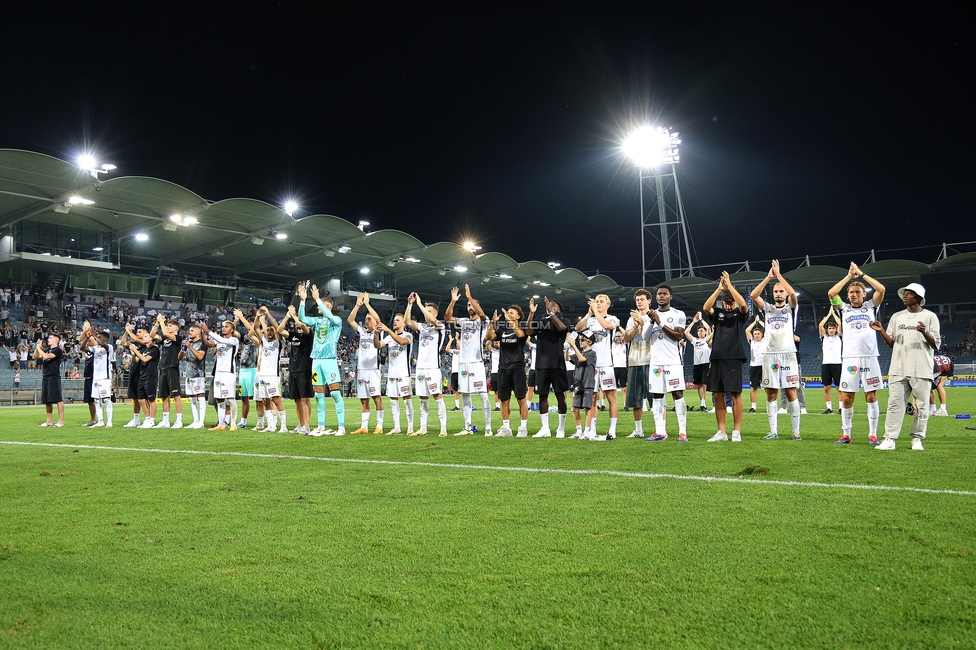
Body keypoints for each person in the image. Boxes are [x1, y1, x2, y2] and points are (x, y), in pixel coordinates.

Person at [872, 283, 941, 451]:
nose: (905, 295)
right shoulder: (896, 317)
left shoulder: (930, 316)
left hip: (921, 368)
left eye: (909, 293)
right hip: (898, 368)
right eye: (905, 293)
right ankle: (889, 439)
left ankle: (917, 439)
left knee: (923, 406)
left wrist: (924, 332)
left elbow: (936, 344)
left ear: (918, 297)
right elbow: (892, 343)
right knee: (894, 405)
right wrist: (881, 331)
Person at [826, 262, 886, 444]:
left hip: (869, 357)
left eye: (857, 292)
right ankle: (846, 434)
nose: (854, 294)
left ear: (864, 294)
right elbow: (831, 294)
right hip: (850, 358)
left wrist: (861, 275)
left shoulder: (871, 306)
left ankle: (873, 434)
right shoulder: (843, 308)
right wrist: (849, 278)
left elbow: (881, 289)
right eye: (851, 292)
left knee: (871, 395)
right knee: (847, 396)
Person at [750, 260, 802, 440]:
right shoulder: (768, 309)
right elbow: (753, 296)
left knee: (790, 392)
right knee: (771, 393)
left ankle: (796, 431)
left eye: (781, 291)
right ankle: (773, 431)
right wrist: (768, 277)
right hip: (769, 355)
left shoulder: (791, 308)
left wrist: (779, 275)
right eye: (776, 291)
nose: (779, 294)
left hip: (788, 354)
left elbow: (793, 295)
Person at [704, 272, 749, 442]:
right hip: (717, 357)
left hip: (734, 358)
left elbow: (744, 305)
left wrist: (730, 286)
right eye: (726, 303)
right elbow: (705, 307)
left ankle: (736, 431)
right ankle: (722, 432)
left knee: (736, 394)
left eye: (731, 303)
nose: (729, 306)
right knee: (717, 395)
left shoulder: (740, 314)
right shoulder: (717, 313)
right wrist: (719, 289)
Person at [297, 282, 346, 436]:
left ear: (328, 306)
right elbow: (302, 318)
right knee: (318, 395)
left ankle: (342, 427)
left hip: (329, 360)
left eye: (321, 305)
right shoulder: (318, 321)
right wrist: (303, 300)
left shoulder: (336, 321)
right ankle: (320, 426)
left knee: (335, 394)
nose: (318, 308)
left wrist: (318, 299)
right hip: (316, 361)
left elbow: (331, 317)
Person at [444, 285, 492, 435]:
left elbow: (482, 315)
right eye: (468, 305)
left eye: (472, 305)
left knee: (483, 395)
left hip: (476, 362)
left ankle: (488, 428)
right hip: (463, 364)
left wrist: (470, 297)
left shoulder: (483, 321)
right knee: (465, 395)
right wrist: (453, 301)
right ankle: (467, 427)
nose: (470, 306)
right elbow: (447, 318)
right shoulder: (463, 321)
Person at [644, 285, 689, 442]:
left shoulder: (678, 314)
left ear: (670, 297)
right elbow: (644, 337)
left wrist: (660, 323)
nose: (661, 296)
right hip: (656, 363)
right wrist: (651, 322)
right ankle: (660, 432)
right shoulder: (650, 316)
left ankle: (682, 432)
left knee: (677, 395)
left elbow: (678, 335)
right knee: (657, 396)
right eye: (659, 294)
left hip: (672, 362)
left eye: (665, 294)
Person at [574, 294, 621, 439]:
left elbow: (607, 326)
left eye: (601, 302)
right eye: (597, 302)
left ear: (608, 305)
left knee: (611, 397)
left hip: (606, 363)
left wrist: (596, 311)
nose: (598, 304)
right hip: (591, 365)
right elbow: (577, 328)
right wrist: (589, 313)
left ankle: (612, 429)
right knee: (592, 398)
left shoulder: (612, 319)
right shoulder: (591, 320)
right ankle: (592, 429)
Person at [404, 292, 449, 437]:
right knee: (423, 400)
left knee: (437, 397)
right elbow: (407, 321)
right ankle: (423, 428)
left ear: (435, 314)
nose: (425, 313)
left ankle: (443, 428)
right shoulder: (422, 327)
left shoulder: (440, 326)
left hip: (433, 368)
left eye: (429, 311)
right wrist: (410, 304)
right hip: (420, 368)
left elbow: (433, 321)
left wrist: (419, 304)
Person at [527, 296, 570, 438]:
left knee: (560, 396)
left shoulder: (564, 320)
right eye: (549, 305)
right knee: (542, 396)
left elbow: (562, 328)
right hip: (542, 364)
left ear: (559, 309)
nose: (550, 307)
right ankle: (545, 429)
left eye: (554, 305)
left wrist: (552, 313)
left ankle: (561, 429)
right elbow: (528, 332)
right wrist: (532, 313)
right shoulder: (541, 319)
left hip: (557, 363)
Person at [486, 304, 529, 437]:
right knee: (504, 399)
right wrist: (493, 322)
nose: (509, 314)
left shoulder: (522, 328)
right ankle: (506, 428)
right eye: (508, 313)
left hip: (517, 367)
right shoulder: (502, 330)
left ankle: (523, 428)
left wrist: (510, 321)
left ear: (519, 316)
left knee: (521, 399)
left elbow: (521, 335)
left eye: (512, 313)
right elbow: (489, 336)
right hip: (503, 368)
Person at [347, 293, 384, 434]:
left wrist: (368, 304)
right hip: (362, 369)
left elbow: (378, 319)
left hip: (374, 369)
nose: (366, 320)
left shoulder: (378, 331)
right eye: (366, 318)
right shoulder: (362, 332)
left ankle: (379, 426)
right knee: (364, 400)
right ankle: (364, 427)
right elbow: (350, 320)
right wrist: (357, 305)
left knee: (376, 398)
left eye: (369, 319)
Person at [373, 309, 414, 435]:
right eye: (394, 320)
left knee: (407, 400)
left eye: (398, 320)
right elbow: (378, 345)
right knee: (393, 401)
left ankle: (410, 426)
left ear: (404, 324)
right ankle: (397, 427)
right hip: (392, 374)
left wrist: (388, 330)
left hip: (404, 373)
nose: (395, 322)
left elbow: (401, 342)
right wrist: (375, 334)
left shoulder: (408, 335)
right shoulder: (389, 337)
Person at [249, 308, 288, 433]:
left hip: (272, 375)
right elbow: (255, 328)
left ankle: (283, 426)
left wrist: (268, 314)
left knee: (276, 400)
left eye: (271, 330)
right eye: (267, 330)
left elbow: (277, 327)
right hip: (263, 375)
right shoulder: (264, 341)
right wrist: (258, 316)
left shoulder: (279, 343)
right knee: (265, 400)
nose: (269, 332)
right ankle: (271, 425)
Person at [200, 318, 240, 431]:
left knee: (231, 399)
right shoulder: (219, 341)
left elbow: (222, 341)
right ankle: (221, 424)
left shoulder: (234, 340)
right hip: (218, 373)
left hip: (228, 373)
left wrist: (208, 331)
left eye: (226, 326)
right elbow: (206, 343)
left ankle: (233, 423)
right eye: (223, 326)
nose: (224, 328)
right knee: (219, 399)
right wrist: (203, 333)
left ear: (232, 329)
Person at [622, 289, 653, 438]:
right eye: (637, 300)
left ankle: (660, 429)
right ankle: (638, 430)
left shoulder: (653, 316)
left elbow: (648, 337)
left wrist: (642, 322)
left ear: (649, 301)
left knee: (656, 398)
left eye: (642, 299)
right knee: (635, 399)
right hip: (634, 361)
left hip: (650, 360)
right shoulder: (630, 319)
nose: (639, 302)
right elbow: (626, 340)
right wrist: (635, 326)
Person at [280, 305, 313, 434]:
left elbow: (303, 326)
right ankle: (301, 424)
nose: (298, 328)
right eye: (297, 327)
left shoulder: (309, 335)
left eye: (300, 327)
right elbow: (280, 329)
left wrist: (294, 315)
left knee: (305, 398)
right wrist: (287, 316)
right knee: (297, 399)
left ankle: (307, 425)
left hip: (304, 369)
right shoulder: (293, 336)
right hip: (293, 369)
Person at [150, 314, 184, 429]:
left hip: (172, 367)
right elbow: (152, 335)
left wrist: (162, 322)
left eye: (170, 325)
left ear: (176, 328)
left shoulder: (178, 339)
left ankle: (178, 421)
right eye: (167, 325)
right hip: (163, 367)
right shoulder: (164, 339)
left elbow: (165, 333)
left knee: (176, 395)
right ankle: (165, 421)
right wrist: (157, 323)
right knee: (164, 396)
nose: (168, 327)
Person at [79, 323, 114, 428]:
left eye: (100, 337)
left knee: (107, 400)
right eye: (97, 336)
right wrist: (87, 337)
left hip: (105, 378)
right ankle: (100, 421)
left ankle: (109, 422)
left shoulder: (109, 347)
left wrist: (93, 336)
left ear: (105, 338)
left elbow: (103, 345)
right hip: (96, 378)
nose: (97, 338)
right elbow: (82, 348)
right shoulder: (95, 349)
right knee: (97, 400)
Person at [128, 324, 160, 429]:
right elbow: (136, 360)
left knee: (151, 399)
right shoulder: (145, 350)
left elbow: (145, 360)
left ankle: (152, 420)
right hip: (142, 376)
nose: (144, 338)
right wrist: (133, 354)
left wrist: (136, 351)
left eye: (146, 336)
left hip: (151, 376)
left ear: (152, 339)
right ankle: (147, 419)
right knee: (141, 399)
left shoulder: (155, 349)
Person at [568, 331, 598, 439]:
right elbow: (567, 358)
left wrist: (573, 346)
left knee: (587, 408)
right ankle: (579, 431)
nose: (580, 341)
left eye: (582, 340)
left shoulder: (592, 353)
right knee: (575, 408)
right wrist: (567, 348)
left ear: (589, 341)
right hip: (578, 384)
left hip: (587, 384)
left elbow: (582, 359)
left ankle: (587, 431)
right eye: (579, 340)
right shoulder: (580, 352)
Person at [181, 321, 209, 429]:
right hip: (189, 374)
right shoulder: (188, 343)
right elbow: (180, 358)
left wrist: (190, 347)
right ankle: (195, 420)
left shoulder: (203, 343)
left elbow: (200, 357)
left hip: (199, 374)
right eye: (189, 331)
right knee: (192, 398)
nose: (189, 332)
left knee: (200, 396)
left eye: (192, 330)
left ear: (198, 332)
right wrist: (182, 350)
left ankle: (201, 422)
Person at [235, 311, 260, 430]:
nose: (250, 325)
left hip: (254, 368)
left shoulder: (259, 335)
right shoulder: (244, 336)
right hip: (243, 369)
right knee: (243, 397)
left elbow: (252, 329)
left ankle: (260, 421)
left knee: (257, 397)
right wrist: (235, 320)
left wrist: (241, 317)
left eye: (253, 323)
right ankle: (243, 421)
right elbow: (232, 331)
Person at [35, 330, 65, 427]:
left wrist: (40, 349)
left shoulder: (58, 350)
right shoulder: (47, 350)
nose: (48, 339)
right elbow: (35, 357)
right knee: (47, 400)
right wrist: (37, 348)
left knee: (58, 399)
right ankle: (49, 421)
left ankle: (61, 421)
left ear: (56, 340)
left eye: (50, 338)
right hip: (46, 376)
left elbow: (47, 356)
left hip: (54, 376)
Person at [685, 312, 713, 412]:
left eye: (702, 331)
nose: (700, 332)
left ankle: (703, 403)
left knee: (704, 383)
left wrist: (701, 320)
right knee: (699, 384)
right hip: (697, 364)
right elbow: (686, 333)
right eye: (699, 331)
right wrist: (693, 322)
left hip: (706, 363)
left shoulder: (707, 339)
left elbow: (709, 328)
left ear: (705, 332)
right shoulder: (695, 341)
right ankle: (702, 403)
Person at [818, 308, 843, 414]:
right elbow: (820, 326)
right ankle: (829, 408)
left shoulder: (840, 337)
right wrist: (828, 315)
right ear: (827, 330)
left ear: (836, 329)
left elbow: (840, 323)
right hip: (826, 364)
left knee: (839, 387)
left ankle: (841, 408)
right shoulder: (824, 338)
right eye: (829, 328)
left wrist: (834, 314)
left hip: (838, 364)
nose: (831, 330)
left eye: (833, 328)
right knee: (826, 387)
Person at [745, 317, 765, 413]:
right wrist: (754, 322)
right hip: (754, 366)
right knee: (753, 387)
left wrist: (760, 322)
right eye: (755, 334)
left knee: (768, 387)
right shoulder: (751, 341)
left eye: (758, 334)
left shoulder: (765, 340)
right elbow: (747, 330)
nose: (756, 335)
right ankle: (753, 407)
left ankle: (771, 405)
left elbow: (768, 329)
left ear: (762, 334)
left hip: (764, 366)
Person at [930, 340, 952, 416]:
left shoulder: (930, 367)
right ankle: (933, 409)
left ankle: (943, 410)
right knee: (930, 388)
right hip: (939, 365)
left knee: (939, 385)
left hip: (947, 366)